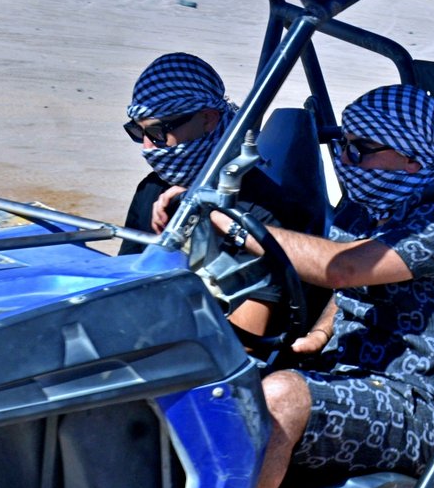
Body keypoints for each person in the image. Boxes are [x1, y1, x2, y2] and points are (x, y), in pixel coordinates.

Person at [221, 84, 434, 488]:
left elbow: (343, 268)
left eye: (361, 149)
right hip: (348, 373)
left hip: (421, 404)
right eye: (343, 145)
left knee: (282, 398)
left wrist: (234, 225)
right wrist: (321, 332)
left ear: (411, 157)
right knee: (216, 382)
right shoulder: (373, 199)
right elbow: (355, 285)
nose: (346, 161)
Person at [119, 52, 304, 340]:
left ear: (207, 119)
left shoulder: (260, 208)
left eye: (157, 132)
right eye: (137, 131)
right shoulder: (152, 189)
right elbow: (124, 282)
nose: (147, 147)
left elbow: (247, 341)